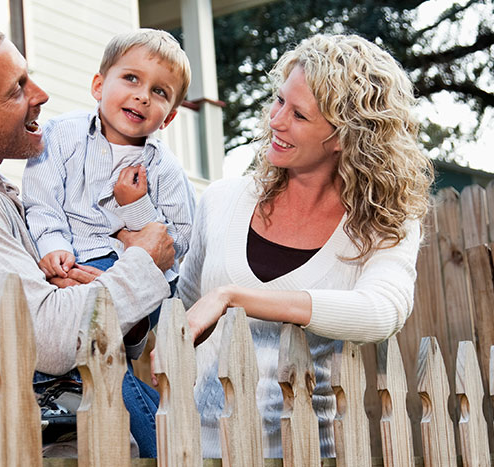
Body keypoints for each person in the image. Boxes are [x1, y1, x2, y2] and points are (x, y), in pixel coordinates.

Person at [0, 22, 175, 457]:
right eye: (17, 89)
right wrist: (142, 261)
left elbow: (60, 316)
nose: (40, 95)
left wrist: (104, 299)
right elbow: (50, 339)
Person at [175, 34, 433, 458]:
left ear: (343, 137)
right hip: (193, 448)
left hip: (309, 451)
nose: (275, 120)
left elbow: (382, 312)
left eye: (298, 115)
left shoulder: (384, 226)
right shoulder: (220, 201)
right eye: (278, 101)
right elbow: (185, 314)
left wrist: (234, 297)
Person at [21, 28, 198, 457]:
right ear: (100, 85)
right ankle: (152, 437)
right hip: (64, 262)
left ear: (169, 116)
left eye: (159, 92)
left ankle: (61, 393)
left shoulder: (164, 169)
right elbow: (41, 202)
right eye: (131, 79)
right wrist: (52, 245)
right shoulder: (60, 137)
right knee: (99, 369)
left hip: (133, 274)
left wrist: (134, 211)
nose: (141, 97)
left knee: (81, 354)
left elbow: (178, 241)